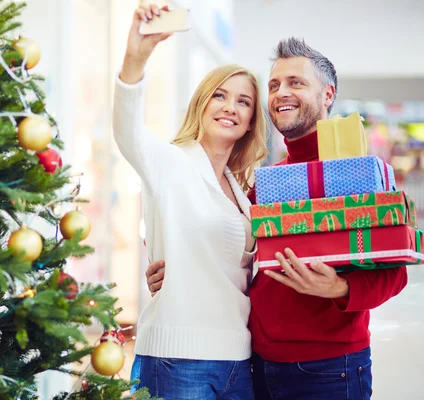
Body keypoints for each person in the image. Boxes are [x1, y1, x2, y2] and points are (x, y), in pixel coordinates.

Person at [146, 37, 408, 400]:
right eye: (274, 85)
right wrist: (177, 268)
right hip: (256, 363)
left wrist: (341, 288)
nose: (281, 92)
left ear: (328, 94)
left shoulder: (359, 171)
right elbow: (233, 249)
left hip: (329, 368)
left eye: (295, 83)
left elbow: (396, 273)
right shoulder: (266, 182)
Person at [113, 3, 268, 399]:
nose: (230, 107)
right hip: (177, 360)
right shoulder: (171, 162)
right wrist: (136, 57)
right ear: (202, 103)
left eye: (243, 102)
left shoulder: (242, 193)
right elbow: (128, 130)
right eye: (219, 95)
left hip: (238, 360)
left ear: (251, 121)